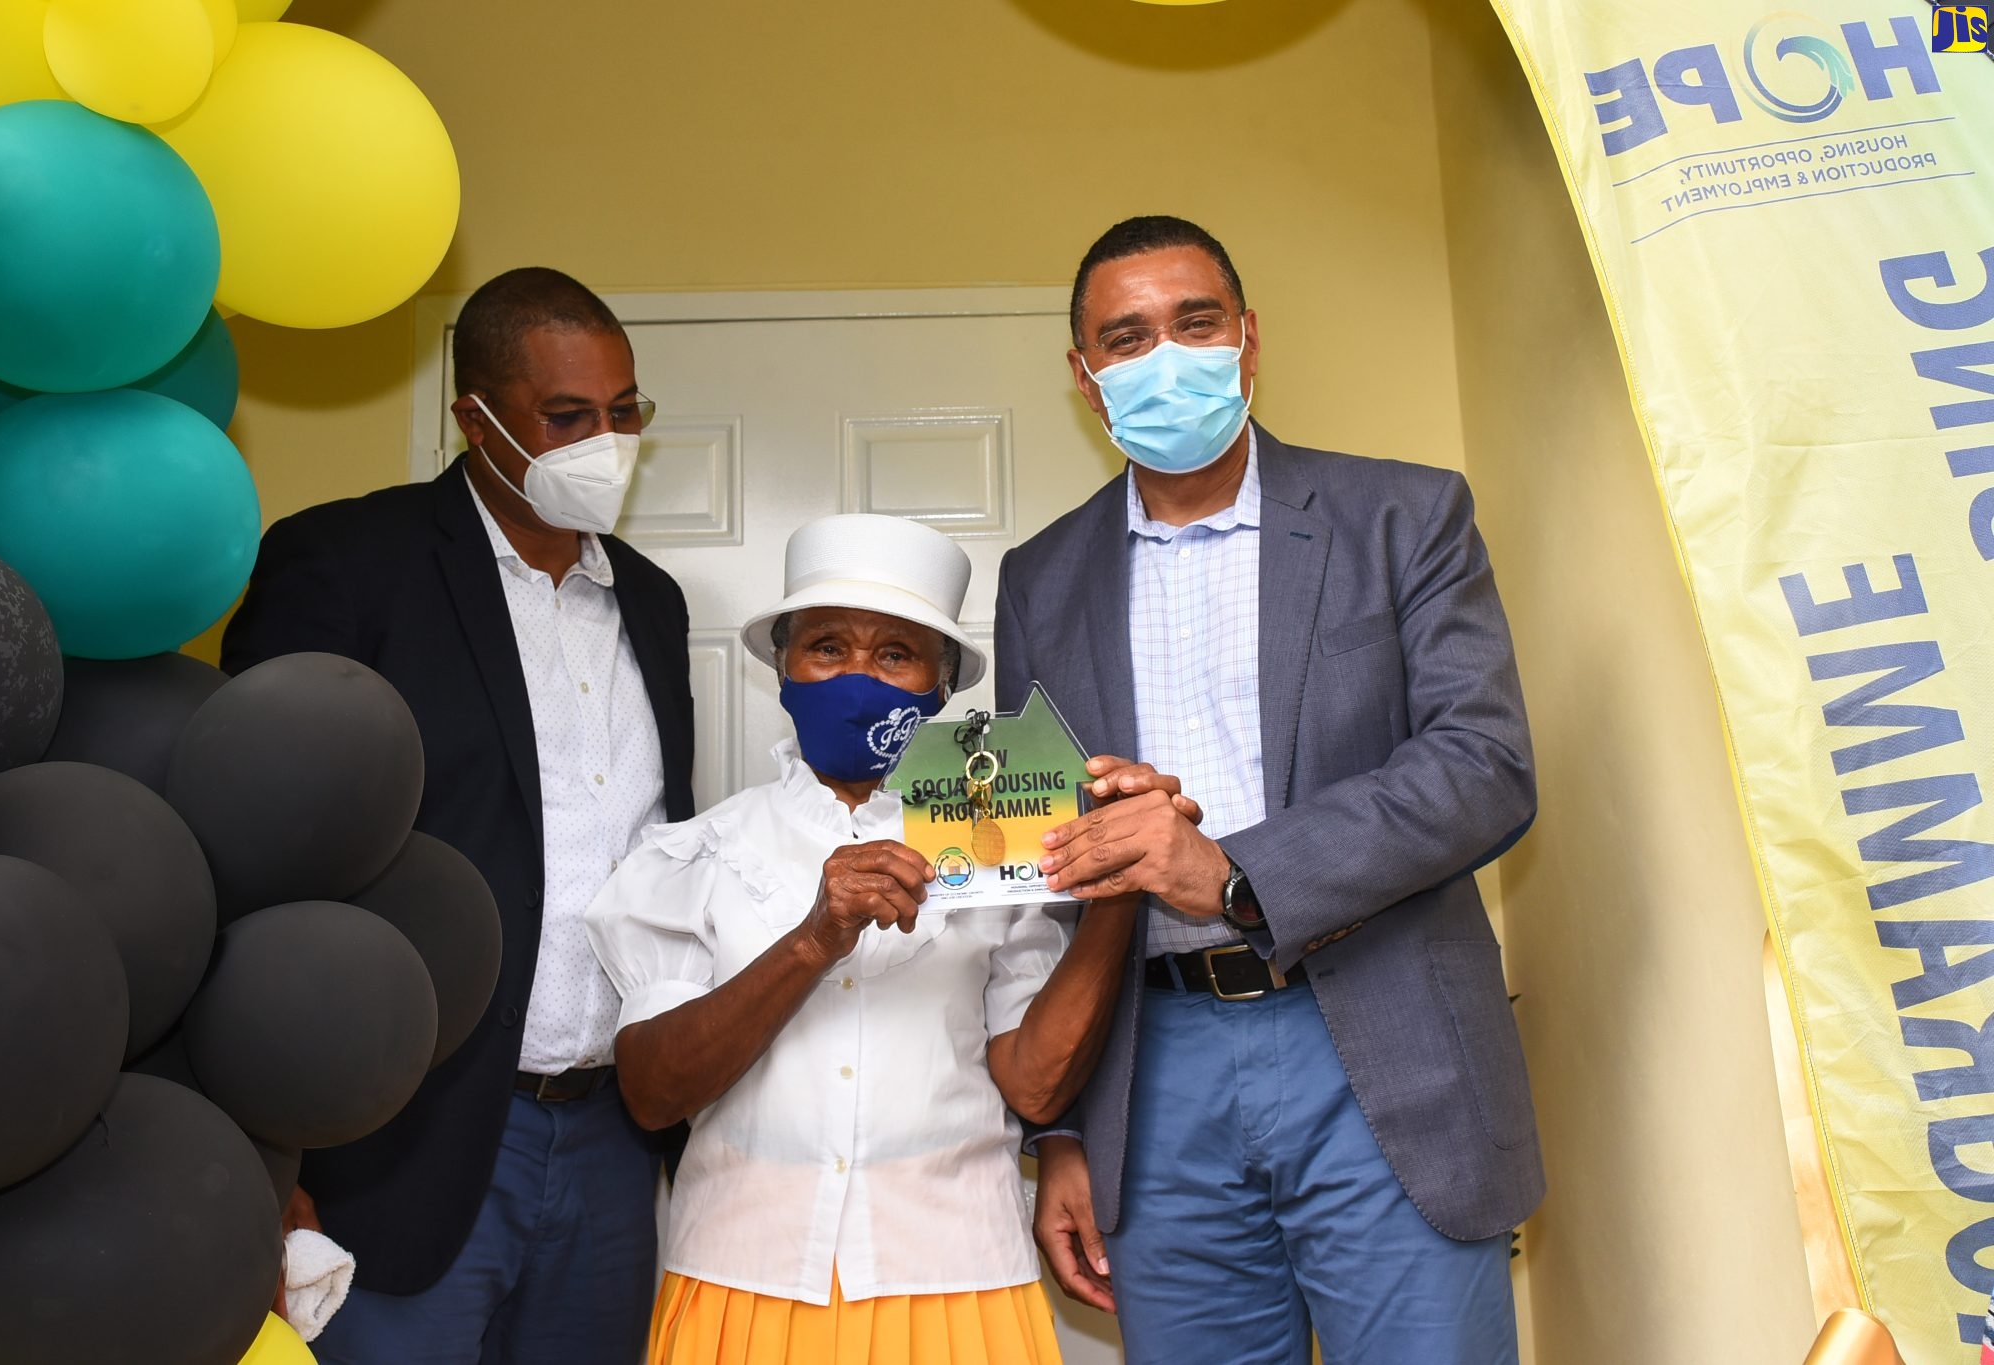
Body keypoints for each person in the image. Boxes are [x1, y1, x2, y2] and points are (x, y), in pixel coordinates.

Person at [996, 216, 1541, 1365]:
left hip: (1379, 1037)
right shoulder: (1039, 580)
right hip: (1153, 1074)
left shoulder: (1401, 516)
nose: (1166, 357)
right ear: (1083, 377)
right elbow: (1044, 865)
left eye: (1194, 324)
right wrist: (1058, 1133)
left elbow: (1480, 765)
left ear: (1246, 340)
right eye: (1126, 337)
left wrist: (1236, 872)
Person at [220, 266, 694, 1364]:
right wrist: (272, 1160)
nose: (604, 442)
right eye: (566, 417)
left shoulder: (652, 604)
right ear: (475, 420)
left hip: (611, 1144)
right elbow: (253, 865)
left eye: (624, 413)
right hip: (403, 1148)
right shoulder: (346, 563)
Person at [585, 513, 1144, 1365]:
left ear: (941, 681)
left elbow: (1034, 1086)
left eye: (894, 655)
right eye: (827, 647)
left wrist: (1114, 891)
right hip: (745, 1285)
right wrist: (813, 938)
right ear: (783, 667)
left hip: (958, 1282)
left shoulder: (1006, 855)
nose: (858, 678)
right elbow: (655, 1092)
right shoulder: (697, 856)